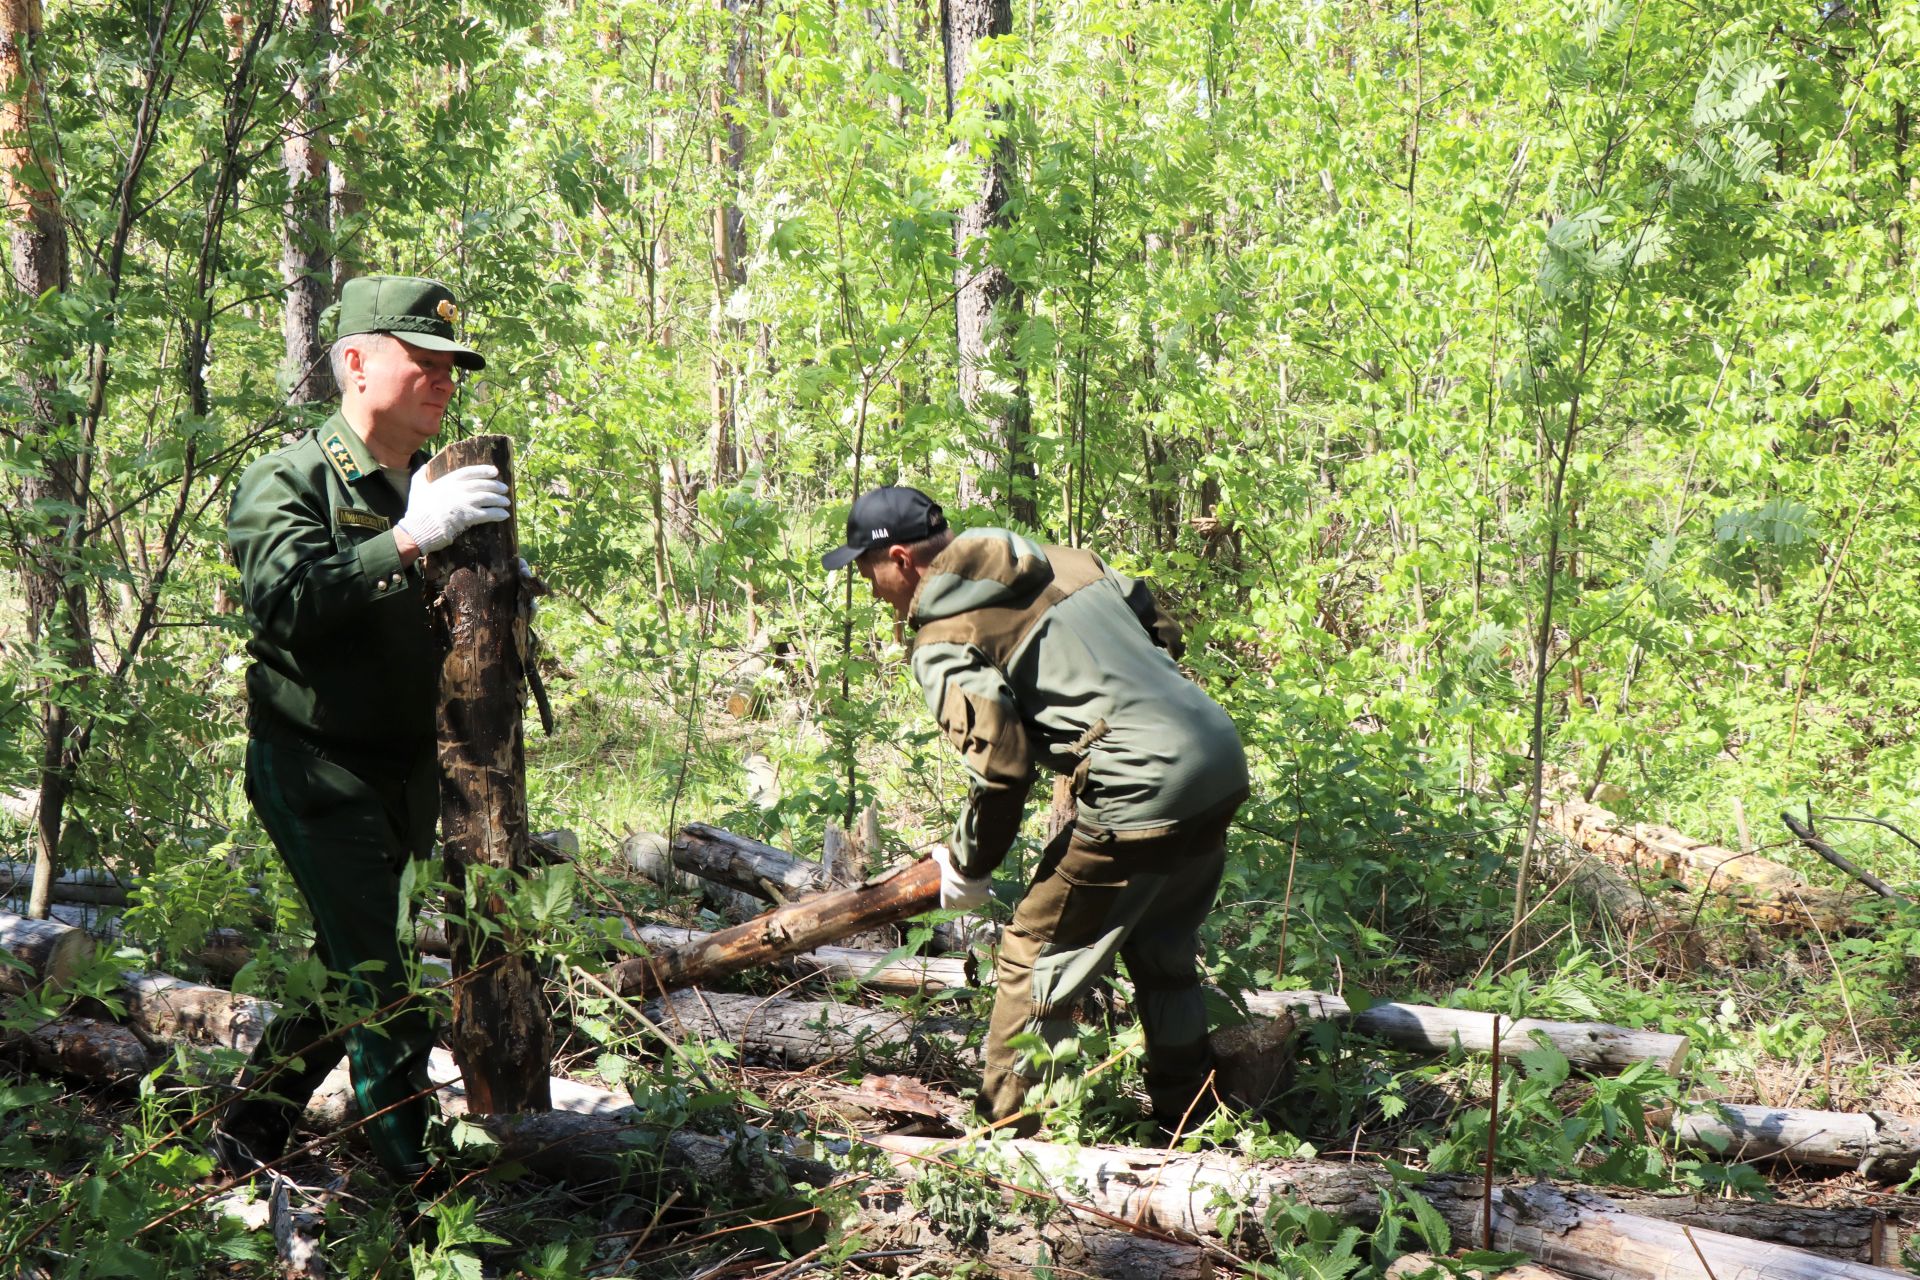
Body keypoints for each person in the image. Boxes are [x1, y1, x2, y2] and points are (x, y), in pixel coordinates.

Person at [823, 486, 1249, 1136]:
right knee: (1162, 948)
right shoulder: (1069, 561)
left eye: (866, 568)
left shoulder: (944, 637)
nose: (869, 586)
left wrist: (969, 865)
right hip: (1216, 757)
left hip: (1141, 787)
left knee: (1029, 957)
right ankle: (1188, 1120)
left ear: (903, 559)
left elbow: (1002, 766)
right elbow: (1164, 629)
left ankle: (1008, 1142)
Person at [216, 275, 509, 1177]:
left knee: (345, 967)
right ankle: (416, 1218)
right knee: (386, 996)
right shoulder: (289, 480)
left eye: (451, 366)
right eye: (420, 359)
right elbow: (285, 603)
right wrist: (411, 540)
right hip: (317, 770)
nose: (442, 379)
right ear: (354, 361)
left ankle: (245, 1136)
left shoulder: (425, 483)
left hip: (407, 774)